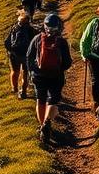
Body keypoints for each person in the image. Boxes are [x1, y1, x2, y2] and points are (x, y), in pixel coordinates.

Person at [26, 13, 72, 146]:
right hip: (55, 76)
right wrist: (60, 68)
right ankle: (47, 122)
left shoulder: (37, 39)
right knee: (52, 101)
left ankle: (42, 126)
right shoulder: (61, 42)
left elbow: (29, 57)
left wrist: (33, 71)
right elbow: (67, 62)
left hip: (38, 76)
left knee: (40, 100)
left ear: (45, 26)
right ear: (58, 26)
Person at [3, 8, 36, 99]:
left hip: (14, 54)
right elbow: (34, 43)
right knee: (25, 72)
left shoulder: (14, 28)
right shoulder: (31, 29)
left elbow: (7, 42)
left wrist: (10, 51)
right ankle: (24, 92)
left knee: (14, 71)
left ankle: (14, 88)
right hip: (26, 54)